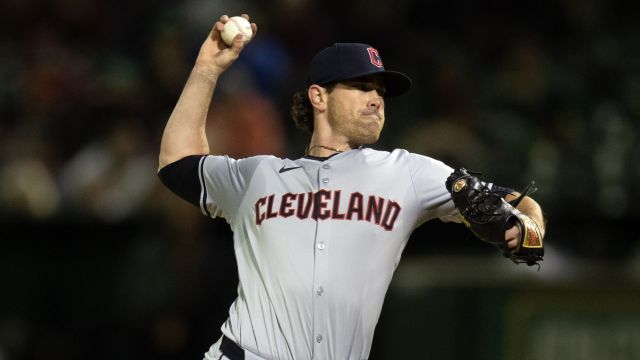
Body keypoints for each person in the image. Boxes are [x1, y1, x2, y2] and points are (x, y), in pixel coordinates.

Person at [157, 14, 546, 360]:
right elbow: (176, 164)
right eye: (361, 87)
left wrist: (529, 229)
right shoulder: (258, 176)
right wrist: (206, 70)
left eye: (380, 91)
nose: (377, 99)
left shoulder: (406, 172)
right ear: (318, 96)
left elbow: (521, 206)